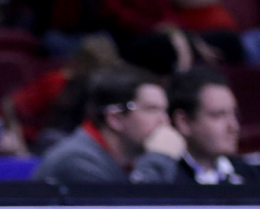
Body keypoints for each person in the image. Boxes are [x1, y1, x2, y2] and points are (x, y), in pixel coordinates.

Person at [31, 65, 185, 183]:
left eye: (165, 111)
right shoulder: (75, 161)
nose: (164, 121)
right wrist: (160, 159)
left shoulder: (133, 160)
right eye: (151, 110)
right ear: (115, 119)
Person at [168, 67, 260, 184]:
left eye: (234, 114)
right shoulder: (166, 177)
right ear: (184, 122)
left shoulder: (248, 174)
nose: (234, 126)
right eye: (218, 115)